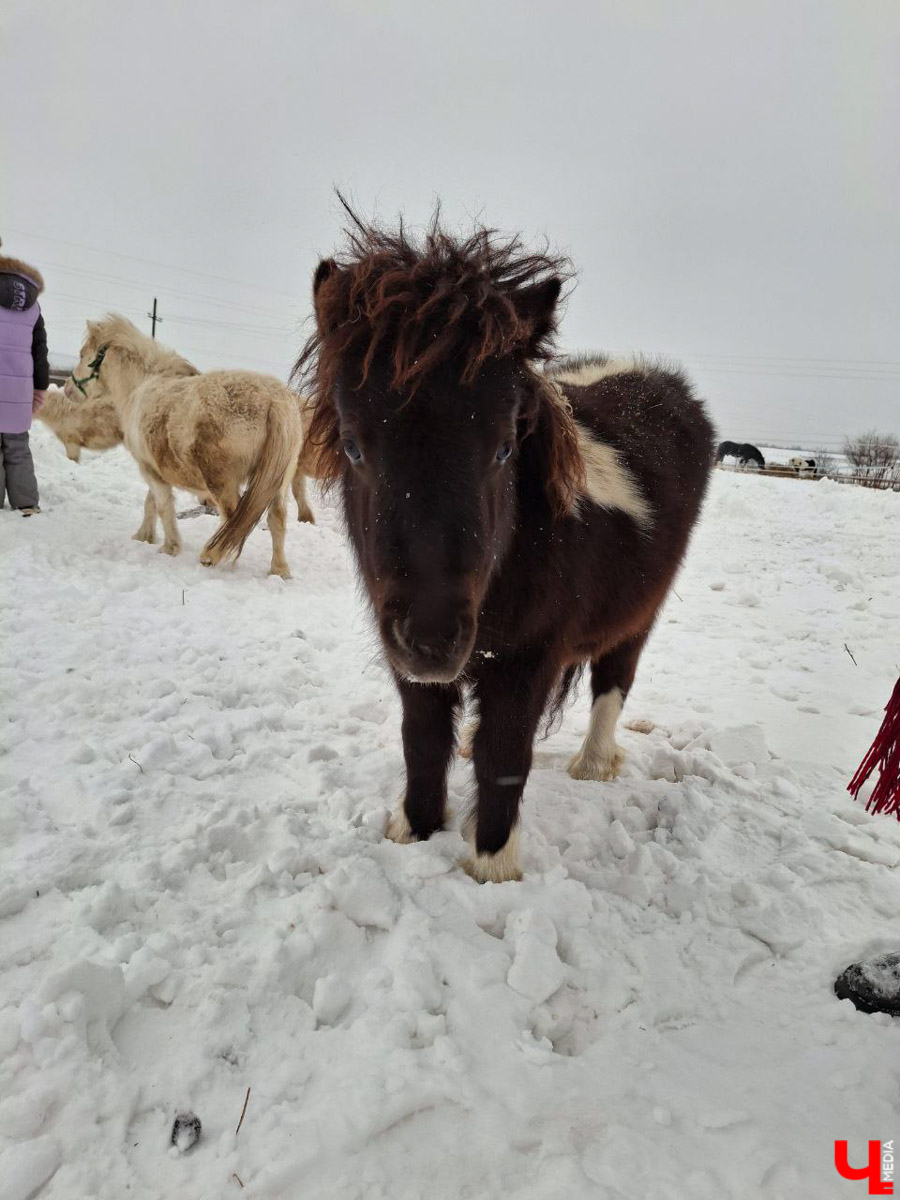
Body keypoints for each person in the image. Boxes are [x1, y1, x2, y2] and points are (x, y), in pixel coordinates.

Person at [0, 238, 49, 515]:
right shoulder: (32, 302)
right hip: (19, 388)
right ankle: (27, 504)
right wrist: (39, 388)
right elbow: (39, 349)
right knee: (18, 446)